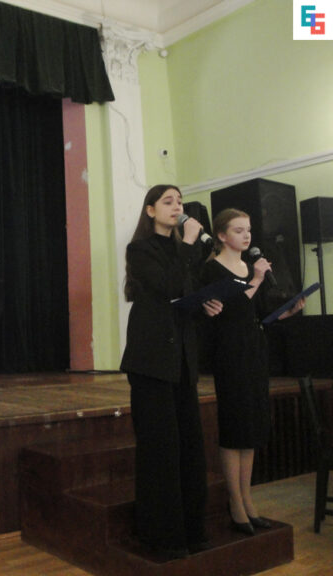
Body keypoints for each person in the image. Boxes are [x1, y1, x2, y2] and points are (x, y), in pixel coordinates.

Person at [120, 184, 222, 559]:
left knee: (190, 449)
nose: (177, 206)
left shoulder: (186, 252)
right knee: (160, 451)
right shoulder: (140, 249)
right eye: (168, 201)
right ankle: (162, 537)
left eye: (179, 201)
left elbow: (184, 297)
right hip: (150, 363)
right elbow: (166, 286)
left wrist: (204, 306)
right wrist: (190, 243)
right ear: (150, 211)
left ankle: (191, 530)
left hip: (181, 363)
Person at [200, 208, 304, 535]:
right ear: (221, 235)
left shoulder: (248, 266)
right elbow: (229, 309)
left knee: (252, 426)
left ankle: (247, 498)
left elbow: (256, 314)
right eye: (238, 230)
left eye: (248, 230)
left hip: (255, 350)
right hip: (230, 353)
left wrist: (286, 312)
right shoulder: (212, 269)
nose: (247, 235)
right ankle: (234, 501)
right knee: (235, 426)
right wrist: (256, 280)